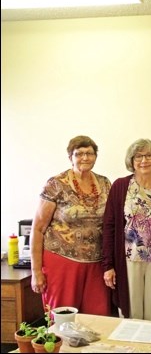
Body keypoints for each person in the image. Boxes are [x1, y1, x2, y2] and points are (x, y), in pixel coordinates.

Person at [30, 135, 111, 315]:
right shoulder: (56, 184)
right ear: (70, 157)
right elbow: (38, 228)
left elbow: (111, 224)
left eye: (89, 153)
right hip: (62, 261)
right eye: (79, 153)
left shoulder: (105, 183)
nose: (85, 158)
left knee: (98, 318)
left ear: (95, 156)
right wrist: (36, 272)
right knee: (63, 317)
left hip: (96, 264)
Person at [102, 139, 151, 321]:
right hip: (128, 259)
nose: (144, 160)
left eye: (149, 155)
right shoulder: (120, 186)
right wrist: (108, 265)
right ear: (132, 160)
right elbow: (109, 226)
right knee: (131, 315)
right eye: (139, 156)